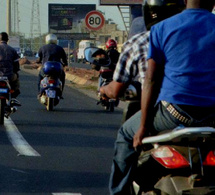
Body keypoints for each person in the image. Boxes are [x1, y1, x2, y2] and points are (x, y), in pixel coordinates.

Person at [108, 0, 187, 194]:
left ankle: (118, 191)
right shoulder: (192, 36)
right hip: (204, 112)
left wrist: (143, 126)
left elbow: (150, 80)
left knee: (126, 134)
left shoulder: (144, 40)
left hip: (170, 110)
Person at [0, 32, 20, 98]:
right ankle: (13, 97)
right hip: (9, 76)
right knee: (16, 82)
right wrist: (16, 72)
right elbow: (16, 65)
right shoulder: (12, 50)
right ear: (7, 40)